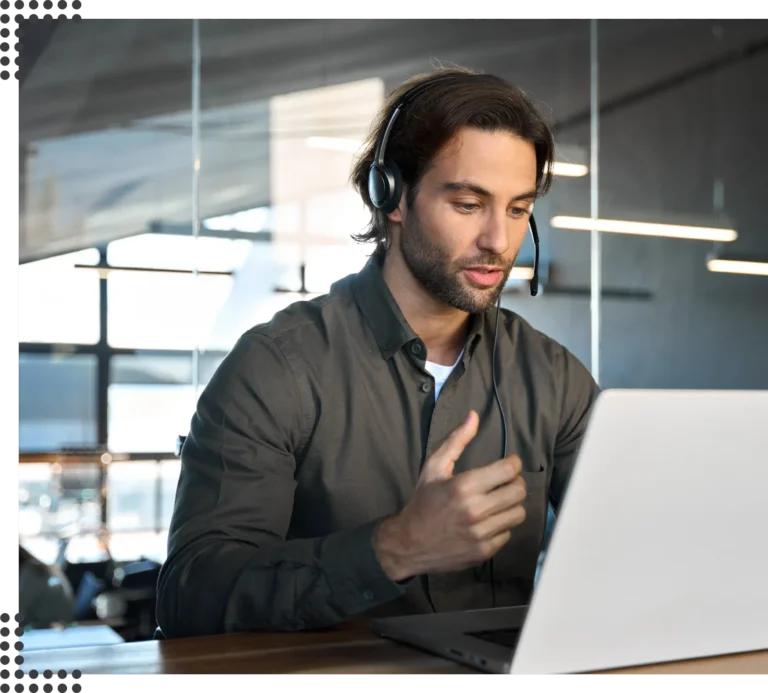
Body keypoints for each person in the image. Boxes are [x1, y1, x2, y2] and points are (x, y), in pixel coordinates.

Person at [155, 66, 600, 638]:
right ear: (391, 196)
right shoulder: (277, 367)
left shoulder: (553, 377)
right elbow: (190, 596)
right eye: (469, 204)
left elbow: (630, 546)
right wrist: (394, 548)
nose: (499, 240)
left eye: (517, 209)